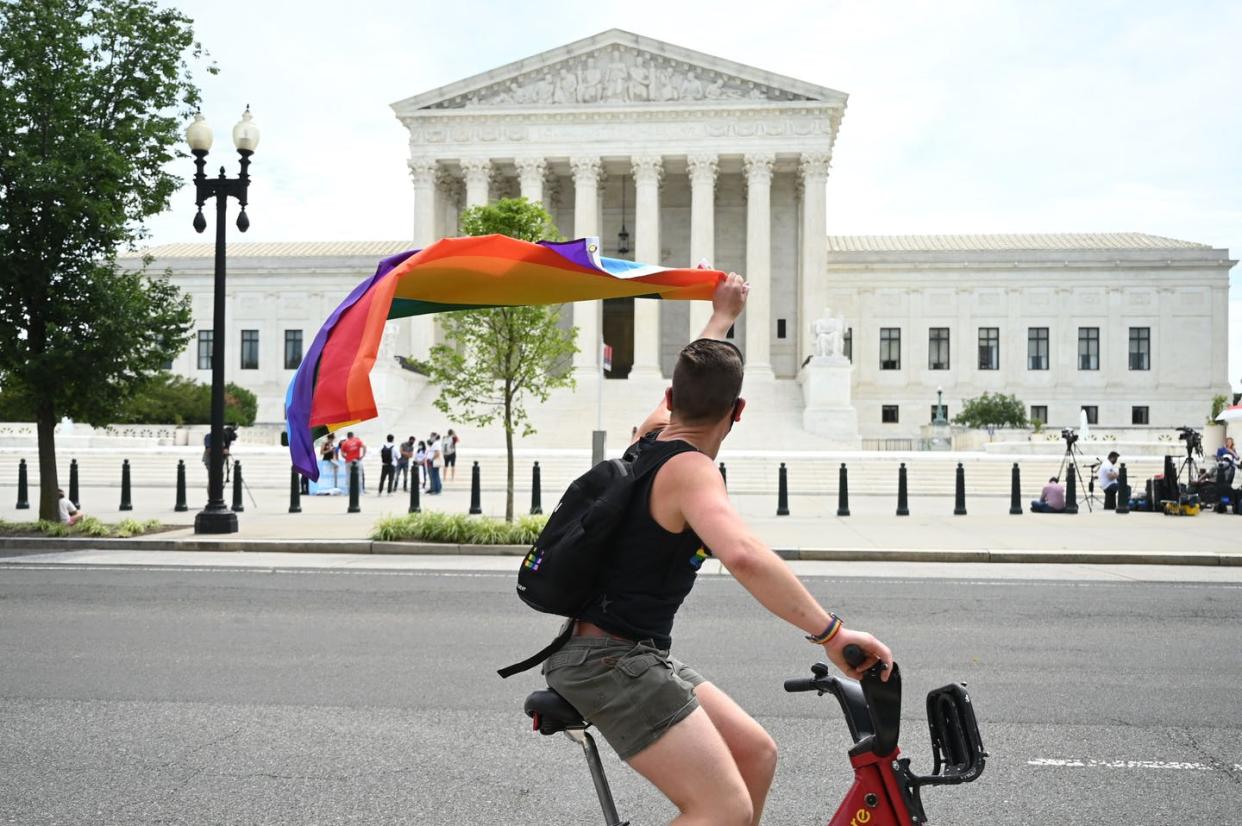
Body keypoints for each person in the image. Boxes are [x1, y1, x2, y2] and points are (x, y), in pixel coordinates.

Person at [542, 273, 893, 825]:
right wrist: (832, 633)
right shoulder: (692, 471)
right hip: (610, 661)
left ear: (669, 398)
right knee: (721, 807)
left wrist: (721, 317)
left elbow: (693, 374)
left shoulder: (650, 440)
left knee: (755, 754)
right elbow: (746, 556)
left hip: (626, 653)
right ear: (739, 410)